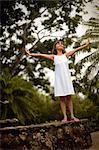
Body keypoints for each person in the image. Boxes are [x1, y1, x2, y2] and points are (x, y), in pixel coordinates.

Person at [25, 40, 90, 122]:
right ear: (55, 47)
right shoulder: (54, 57)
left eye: (62, 44)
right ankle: (65, 117)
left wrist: (85, 45)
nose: (60, 44)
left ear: (63, 47)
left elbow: (77, 49)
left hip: (67, 79)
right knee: (62, 98)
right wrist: (30, 54)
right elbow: (41, 55)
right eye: (58, 43)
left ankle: (72, 116)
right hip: (59, 80)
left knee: (69, 97)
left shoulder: (66, 55)